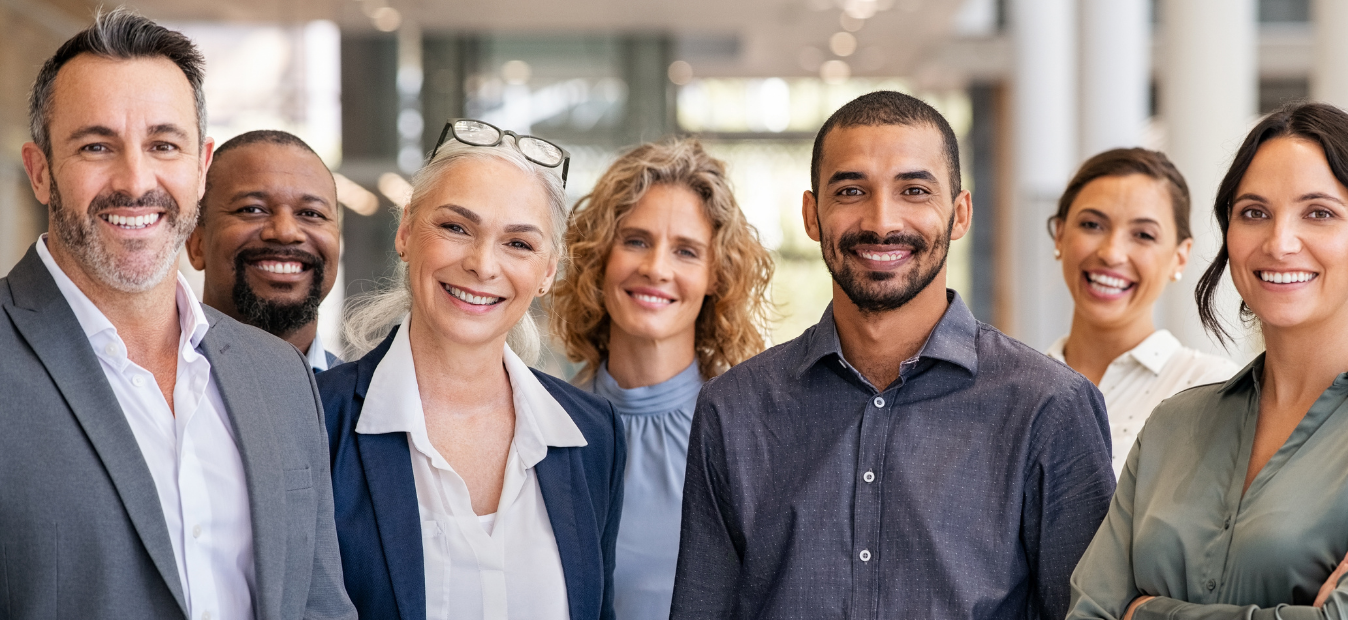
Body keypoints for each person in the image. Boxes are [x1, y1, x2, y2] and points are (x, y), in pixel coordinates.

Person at [671, 90, 1115, 620]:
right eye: (852, 190)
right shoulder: (733, 408)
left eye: (914, 190)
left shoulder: (1050, 407)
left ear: (960, 213)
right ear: (812, 215)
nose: (882, 221)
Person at [0, 9, 355, 619]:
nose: (136, 180)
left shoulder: (278, 377)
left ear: (200, 166)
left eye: (163, 144)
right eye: (96, 146)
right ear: (40, 172)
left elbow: (319, 604)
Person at [1067, 102, 1348, 620]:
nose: (1280, 243)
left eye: (1318, 213)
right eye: (1254, 213)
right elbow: (1089, 612)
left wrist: (1146, 612)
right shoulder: (1174, 422)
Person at [319, 118, 623, 620]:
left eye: (519, 243)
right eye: (456, 227)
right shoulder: (315, 418)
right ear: (407, 231)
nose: (483, 264)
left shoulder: (593, 435)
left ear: (548, 271)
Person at [550, 138, 773, 620]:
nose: (656, 268)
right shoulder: (543, 425)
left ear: (717, 274)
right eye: (635, 241)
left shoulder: (751, 436)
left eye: (686, 251)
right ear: (600, 256)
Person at [1047, 148, 1238, 474]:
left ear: (1180, 256)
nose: (1111, 253)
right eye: (1092, 225)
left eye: (1143, 235)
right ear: (1061, 234)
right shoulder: (1014, 386)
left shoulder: (1214, 391)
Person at [186, 129, 344, 371]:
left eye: (311, 214)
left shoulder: (371, 403)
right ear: (195, 243)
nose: (285, 232)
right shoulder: (148, 393)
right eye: (252, 209)